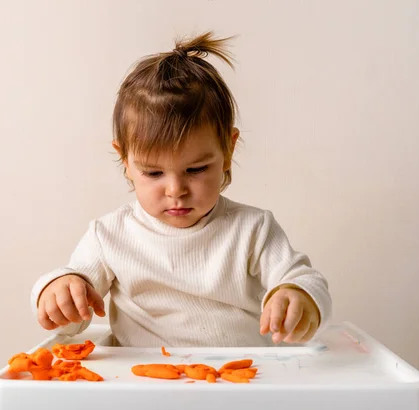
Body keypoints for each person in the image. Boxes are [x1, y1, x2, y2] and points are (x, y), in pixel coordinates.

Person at [30, 31, 331, 347]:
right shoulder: (109, 236)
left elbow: (303, 278)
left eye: (196, 169)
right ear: (125, 161)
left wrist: (297, 295)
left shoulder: (253, 230)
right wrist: (61, 290)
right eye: (153, 172)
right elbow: (73, 312)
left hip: (239, 382)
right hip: (143, 384)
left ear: (228, 151)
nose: (175, 190)